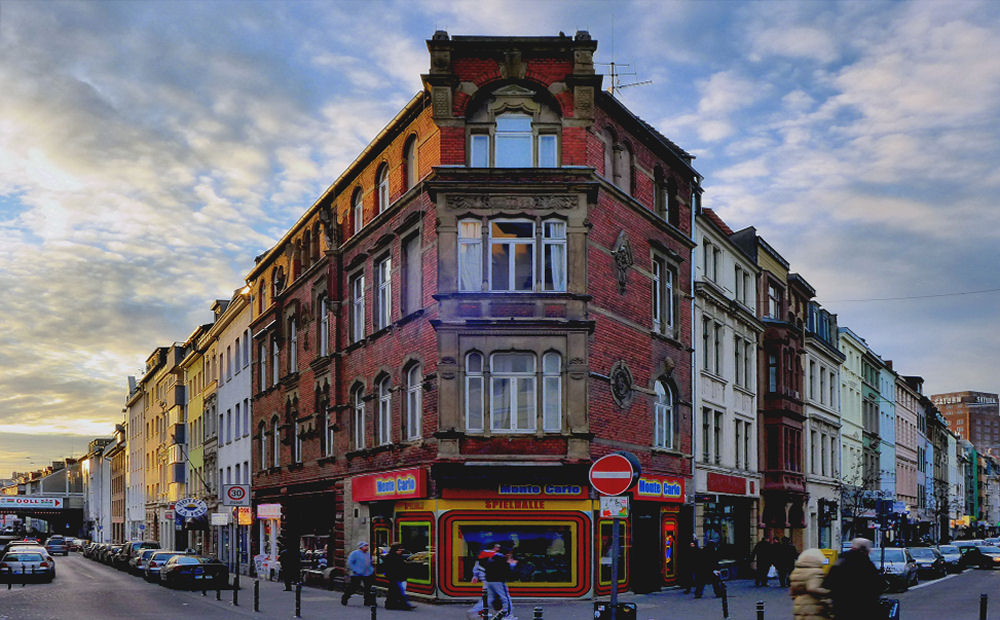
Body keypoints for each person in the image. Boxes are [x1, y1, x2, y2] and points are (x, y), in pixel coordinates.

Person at [822, 537, 886, 619]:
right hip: (864, 608)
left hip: (841, 607)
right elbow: (878, 585)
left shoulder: (841, 560)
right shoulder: (866, 564)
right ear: (864, 550)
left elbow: (828, 583)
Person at [789, 548, 832, 620]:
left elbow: (792, 591)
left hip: (799, 606)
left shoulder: (796, 572)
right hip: (813, 607)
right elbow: (812, 588)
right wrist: (828, 592)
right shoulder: (816, 572)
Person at [485, 544, 517, 619]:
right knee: (505, 598)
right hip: (498, 580)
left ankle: (492, 613)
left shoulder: (492, 557)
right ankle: (507, 615)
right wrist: (512, 564)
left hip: (490, 580)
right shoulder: (502, 559)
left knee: (492, 597)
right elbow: (507, 571)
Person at [381, 543, 415, 610]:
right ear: (394, 550)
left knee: (394, 592)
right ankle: (404, 605)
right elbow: (387, 568)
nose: (400, 551)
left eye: (401, 549)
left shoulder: (398, 557)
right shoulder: (390, 557)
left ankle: (392, 604)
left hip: (399, 577)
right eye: (399, 550)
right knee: (399, 591)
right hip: (394, 577)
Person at [341, 541, 375, 606]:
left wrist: (371, 570)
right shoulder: (354, 553)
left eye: (367, 546)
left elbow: (369, 562)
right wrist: (355, 570)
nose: (367, 547)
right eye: (365, 546)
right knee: (354, 587)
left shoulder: (367, 554)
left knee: (367, 587)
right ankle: (345, 597)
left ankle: (367, 601)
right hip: (357, 574)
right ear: (361, 547)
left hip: (367, 573)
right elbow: (350, 563)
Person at [468, 544, 498, 618]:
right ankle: (474, 611)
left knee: (486, 596)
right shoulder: (492, 554)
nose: (498, 548)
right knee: (490, 597)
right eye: (497, 547)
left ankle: (483, 612)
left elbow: (477, 566)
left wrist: (475, 576)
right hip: (490, 578)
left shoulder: (482, 554)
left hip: (485, 577)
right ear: (493, 547)